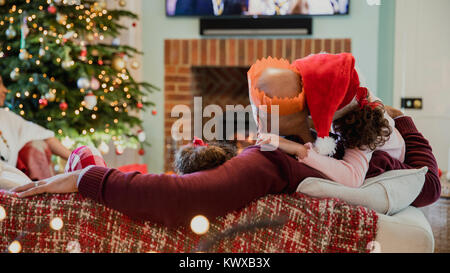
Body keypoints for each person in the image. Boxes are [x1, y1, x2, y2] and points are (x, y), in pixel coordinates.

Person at [9, 61, 441, 228]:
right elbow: (427, 183)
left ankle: (86, 160)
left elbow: (187, 197)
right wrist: (403, 119)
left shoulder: (272, 161)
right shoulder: (320, 150)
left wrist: (88, 177)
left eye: (261, 99)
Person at [253, 54, 406, 188]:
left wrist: (300, 151)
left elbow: (353, 178)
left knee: (374, 163)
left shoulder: (365, 130)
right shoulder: (348, 93)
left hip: (390, 163)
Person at [0, 76, 71, 168]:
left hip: (15, 180)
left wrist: (77, 159)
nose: (5, 90)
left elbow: (45, 136)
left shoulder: (7, 117)